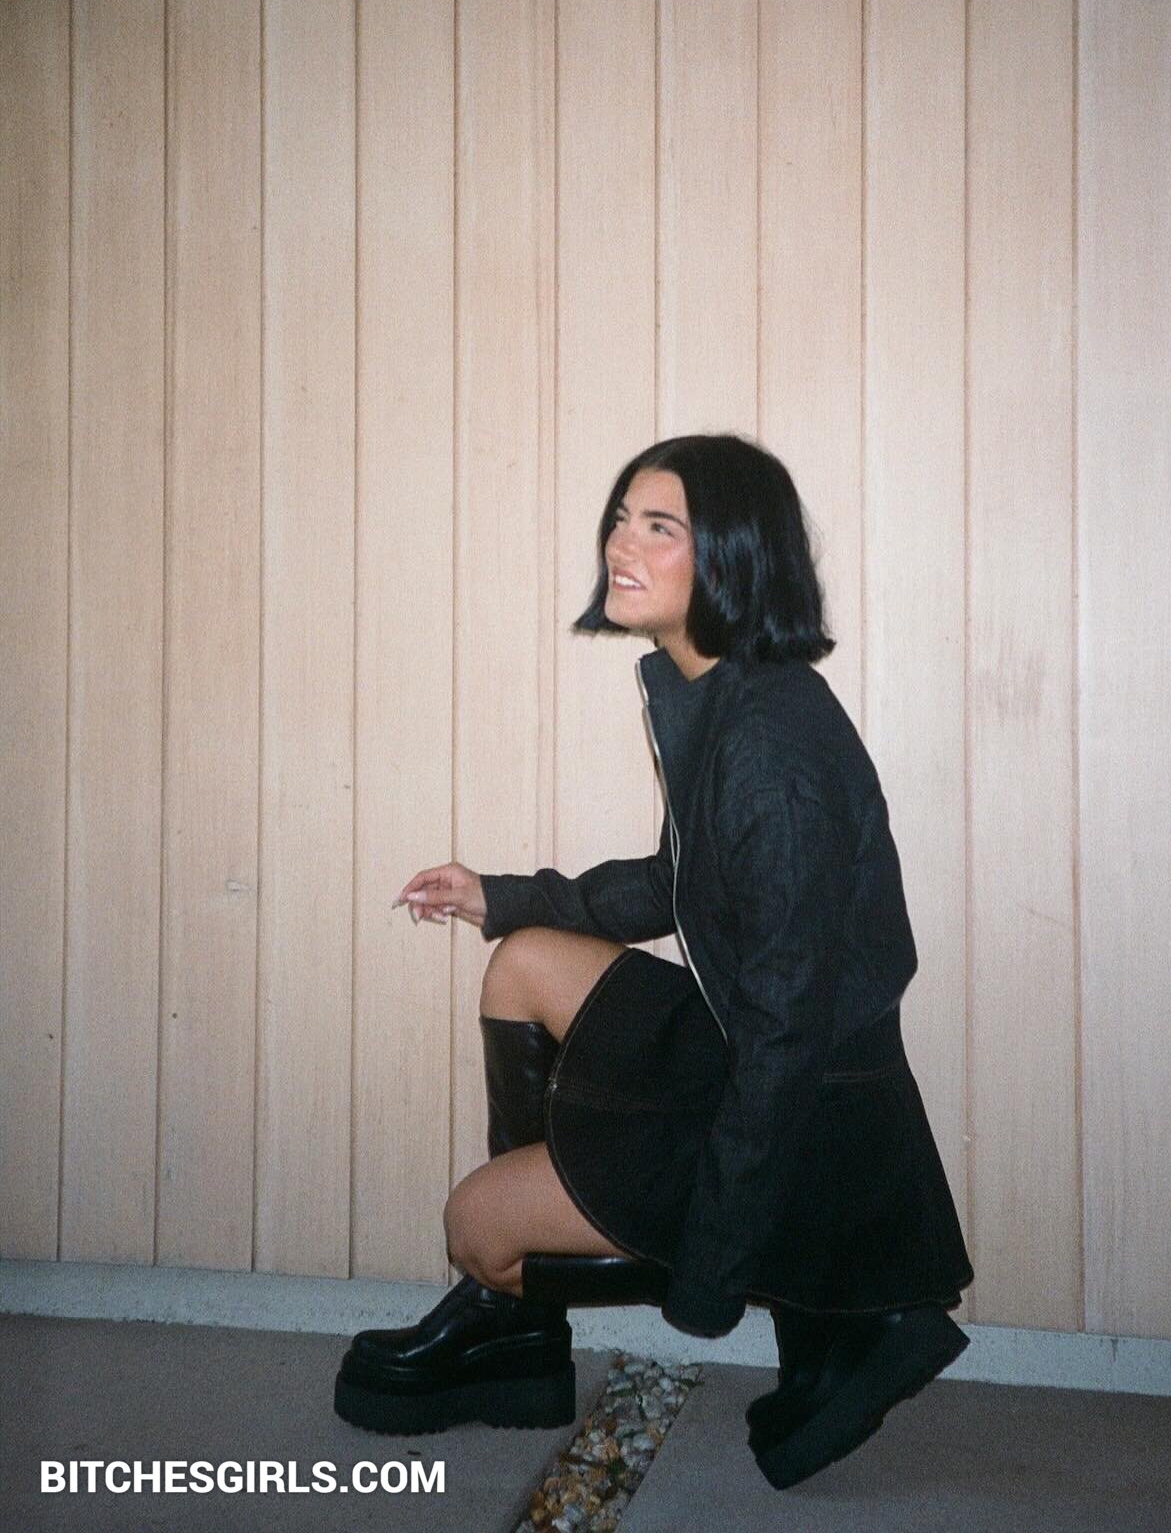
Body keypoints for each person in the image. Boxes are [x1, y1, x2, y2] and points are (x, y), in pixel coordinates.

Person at [332, 432, 973, 1490]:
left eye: (659, 526)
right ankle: (520, 1330)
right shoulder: (723, 693)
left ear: (732, 556)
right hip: (747, 1044)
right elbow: (675, 882)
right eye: (623, 518)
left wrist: (713, 1266)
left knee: (476, 1225)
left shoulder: (769, 750)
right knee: (525, 960)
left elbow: (786, 1043)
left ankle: (831, 1305)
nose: (620, 544)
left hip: (808, 1116)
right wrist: (500, 896)